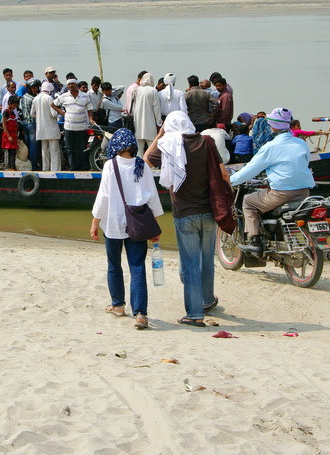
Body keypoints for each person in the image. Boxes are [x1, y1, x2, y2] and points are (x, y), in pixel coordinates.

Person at [145, 111, 226, 327]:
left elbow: (145, 161)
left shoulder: (168, 144)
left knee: (190, 263)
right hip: (209, 211)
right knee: (207, 258)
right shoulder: (207, 142)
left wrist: (159, 135)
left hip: (184, 214)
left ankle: (195, 314)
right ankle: (207, 300)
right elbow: (223, 174)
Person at [91, 128, 163, 330]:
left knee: (114, 265)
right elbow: (153, 198)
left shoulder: (109, 166)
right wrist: (155, 226)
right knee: (137, 266)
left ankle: (118, 306)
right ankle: (140, 314)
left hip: (113, 223)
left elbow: (103, 197)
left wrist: (95, 222)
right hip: (139, 224)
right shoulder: (143, 166)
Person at [229, 107, 315, 255]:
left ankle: (255, 241)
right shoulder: (301, 144)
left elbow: (250, 170)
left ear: (273, 126)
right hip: (305, 192)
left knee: (249, 202)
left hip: (281, 194)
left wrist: (229, 181)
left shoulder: (270, 147)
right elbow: (302, 164)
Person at [52, 78, 93, 170]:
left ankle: (84, 167)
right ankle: (73, 167)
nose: (71, 85)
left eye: (73, 84)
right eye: (69, 84)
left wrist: (91, 119)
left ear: (76, 85)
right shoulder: (64, 96)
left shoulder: (85, 96)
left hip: (81, 127)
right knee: (70, 149)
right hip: (69, 127)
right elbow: (53, 104)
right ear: (67, 86)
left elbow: (90, 109)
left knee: (81, 149)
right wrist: (62, 112)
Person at [33, 81, 61, 171]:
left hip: (40, 129)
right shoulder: (49, 98)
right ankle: (55, 170)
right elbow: (54, 114)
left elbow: (32, 114)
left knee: (44, 151)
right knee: (54, 151)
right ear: (49, 90)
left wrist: (40, 116)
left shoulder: (35, 99)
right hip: (51, 128)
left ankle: (45, 168)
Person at [132, 72, 162, 156]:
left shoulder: (136, 90)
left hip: (137, 122)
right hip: (150, 122)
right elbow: (156, 108)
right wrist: (159, 122)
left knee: (139, 147)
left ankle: (139, 164)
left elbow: (133, 107)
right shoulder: (153, 91)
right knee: (152, 145)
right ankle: (152, 165)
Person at [19, 79, 41, 170]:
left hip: (25, 123)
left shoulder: (23, 97)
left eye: (36, 88)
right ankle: (33, 165)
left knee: (28, 144)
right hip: (32, 123)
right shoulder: (34, 99)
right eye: (33, 88)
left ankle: (28, 163)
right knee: (33, 145)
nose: (35, 89)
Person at [1, 95, 20, 170]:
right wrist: (8, 136)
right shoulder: (6, 112)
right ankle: (10, 166)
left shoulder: (12, 112)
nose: (15, 107)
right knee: (10, 151)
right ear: (10, 103)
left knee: (13, 151)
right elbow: (4, 124)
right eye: (14, 105)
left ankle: (12, 166)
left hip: (13, 134)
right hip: (8, 134)